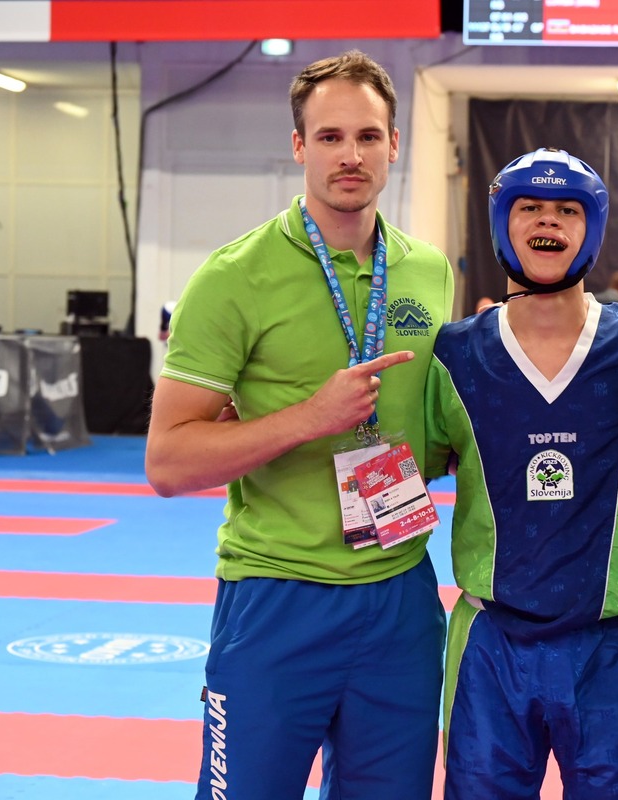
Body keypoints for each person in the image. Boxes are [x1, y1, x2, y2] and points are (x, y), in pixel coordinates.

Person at [144, 51, 454, 799]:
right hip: (278, 593)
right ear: (298, 146)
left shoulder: (428, 270)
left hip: (401, 594)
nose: (351, 155)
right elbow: (168, 462)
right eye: (330, 137)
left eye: (368, 136)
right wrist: (309, 418)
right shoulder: (234, 276)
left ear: (394, 144)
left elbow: (436, 429)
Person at [425, 147, 618, 799]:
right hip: (490, 640)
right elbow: (417, 458)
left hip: (612, 642)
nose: (548, 221)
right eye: (531, 207)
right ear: (502, 223)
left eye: (568, 210)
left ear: (591, 228)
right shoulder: (453, 355)